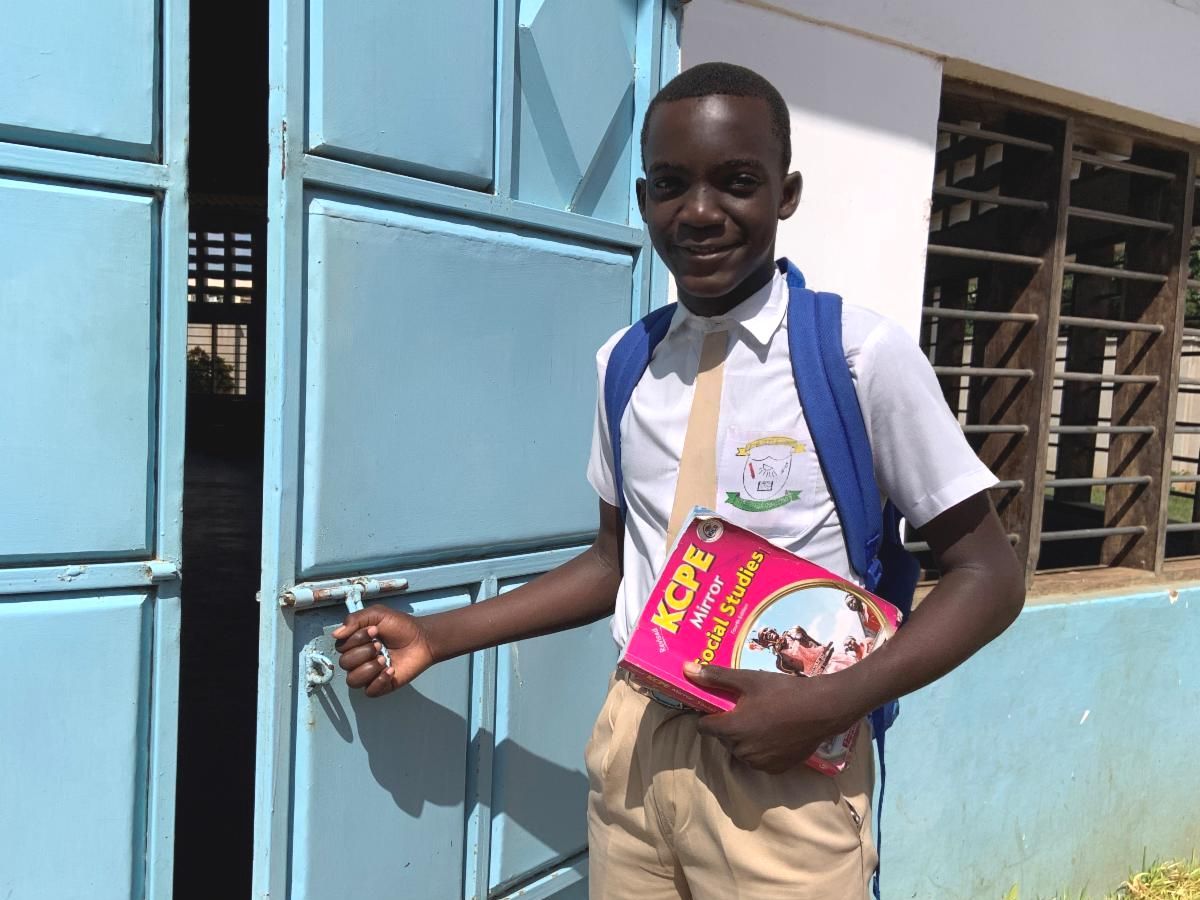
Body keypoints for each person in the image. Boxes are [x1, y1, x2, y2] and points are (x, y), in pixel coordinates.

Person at [332, 61, 1025, 899]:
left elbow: (989, 577)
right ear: (643, 198)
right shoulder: (625, 365)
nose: (699, 211)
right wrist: (439, 636)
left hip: (786, 764)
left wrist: (830, 702)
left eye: (737, 182)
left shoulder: (856, 356)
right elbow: (615, 563)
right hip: (637, 749)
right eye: (670, 185)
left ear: (786, 193)